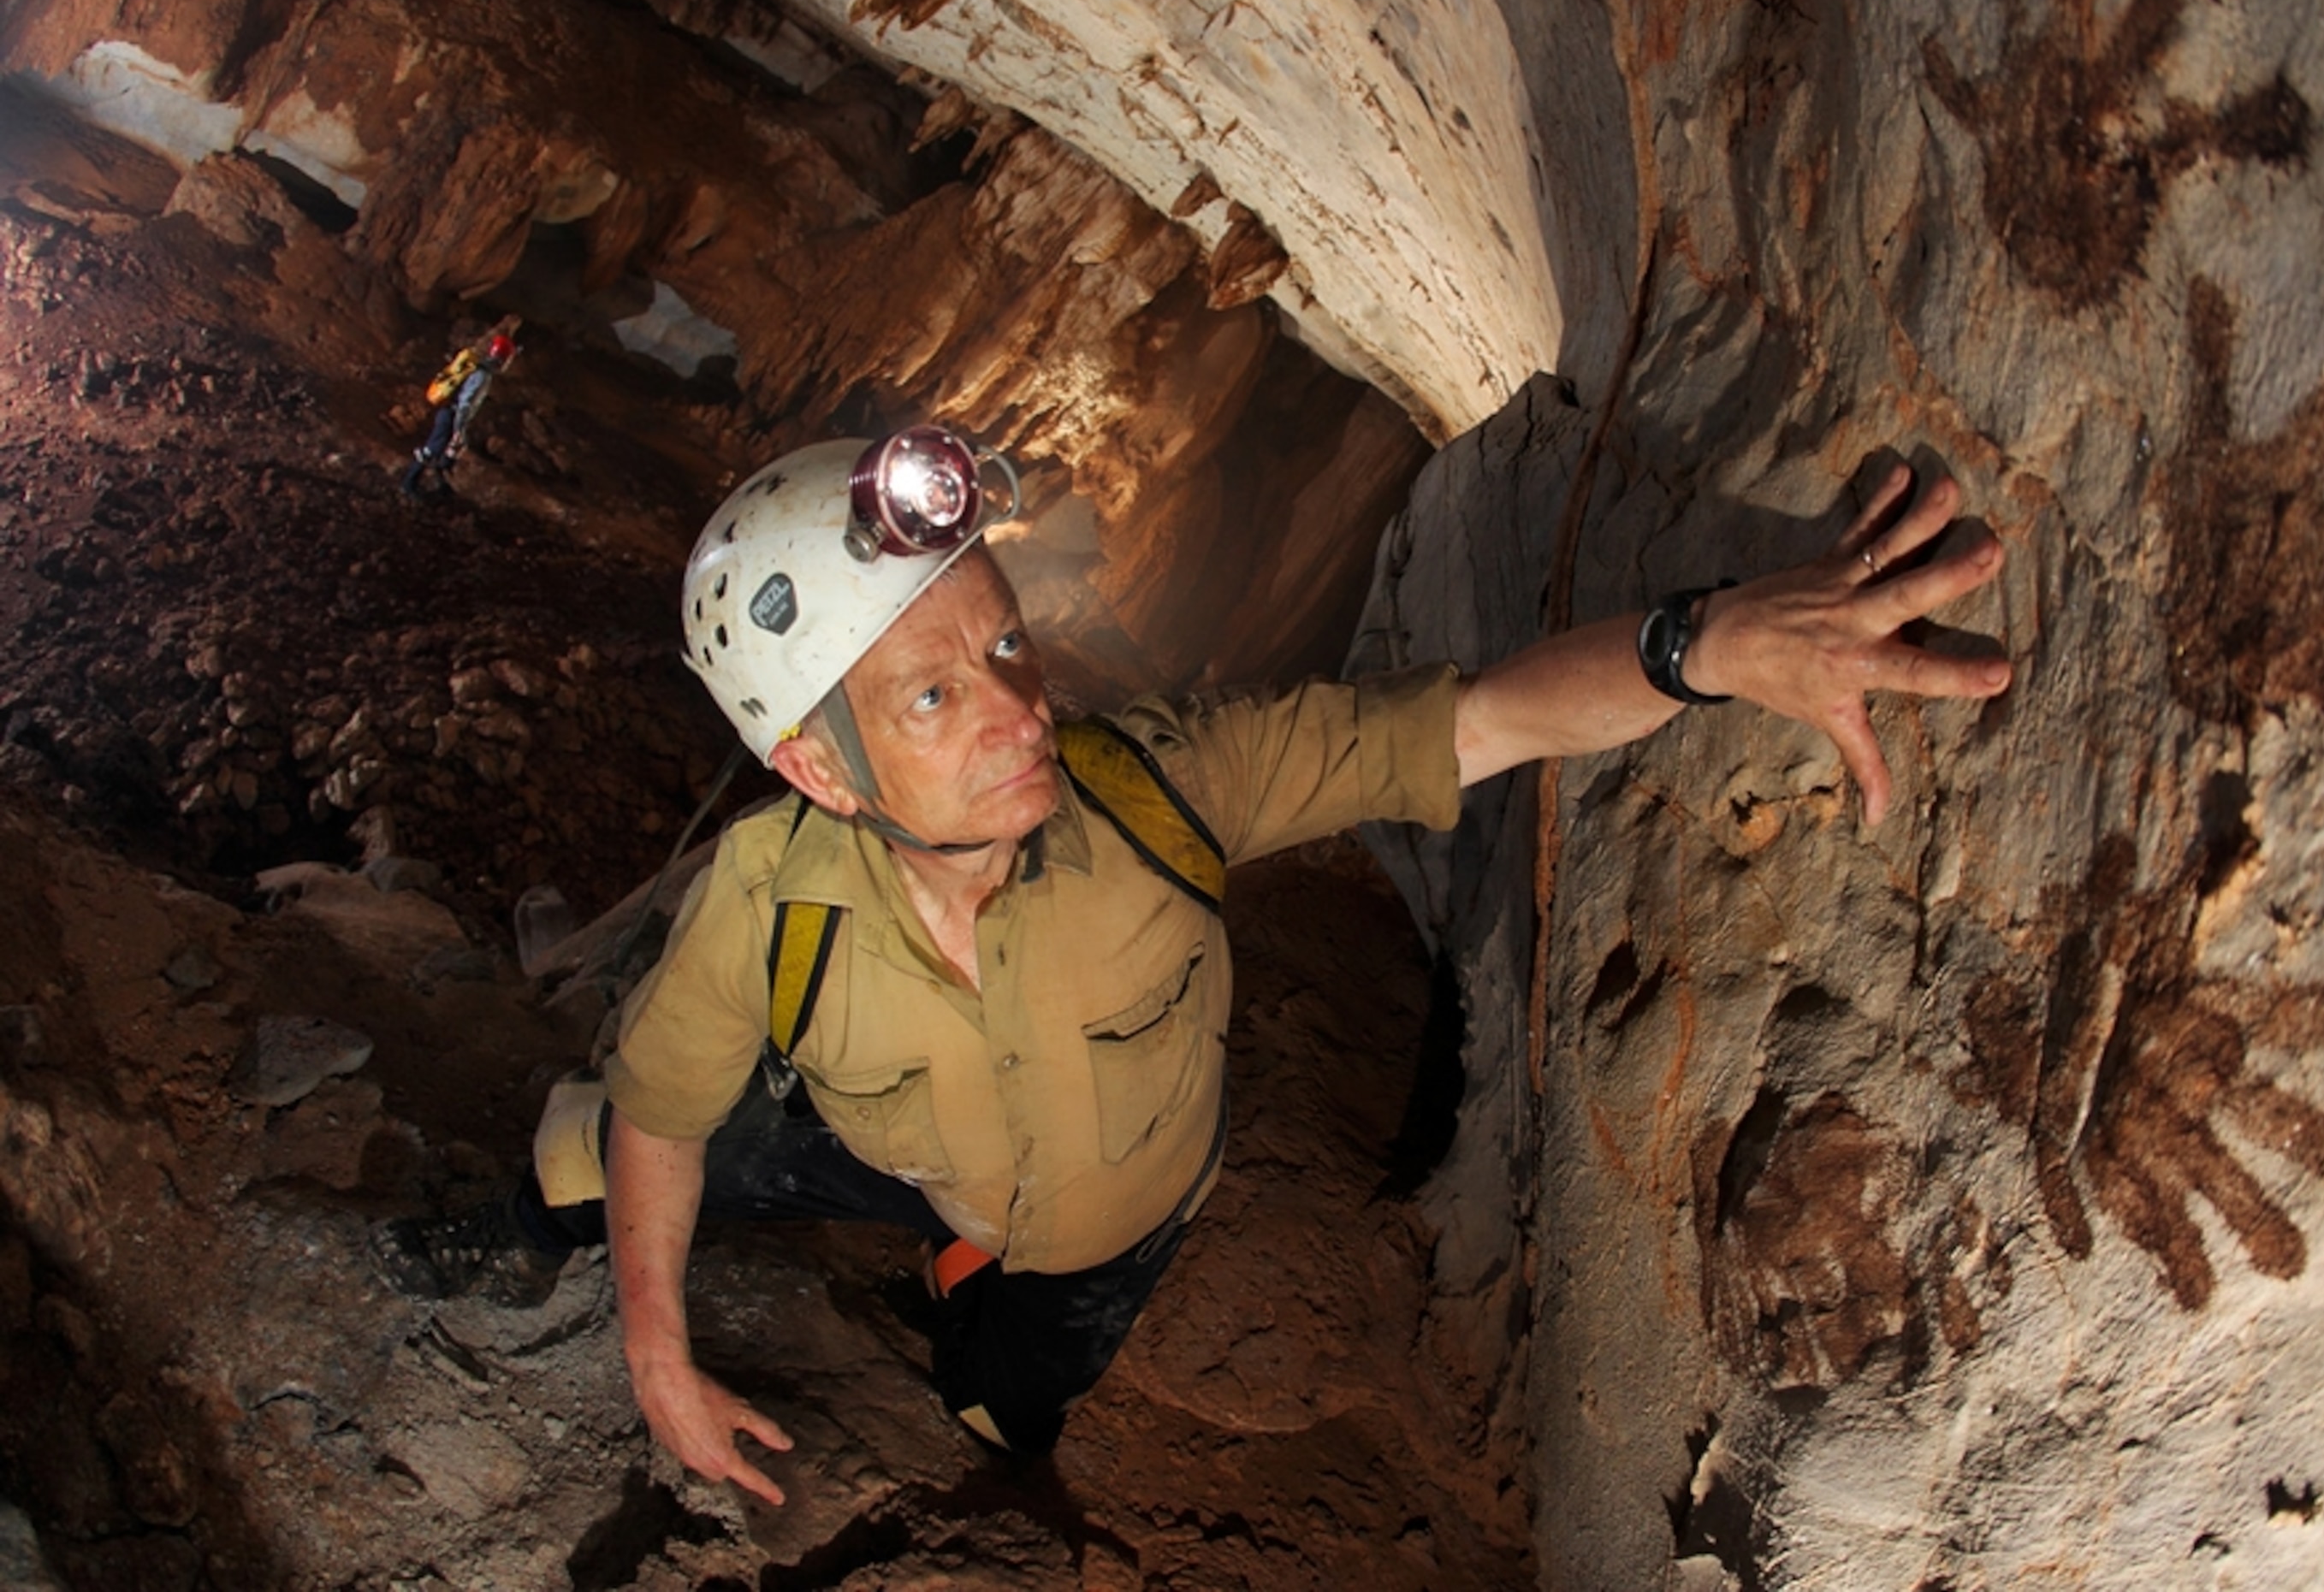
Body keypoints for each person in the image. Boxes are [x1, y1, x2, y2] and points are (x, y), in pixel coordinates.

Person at [379, 422, 2011, 1500]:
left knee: (1004, 1405)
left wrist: (1702, 643)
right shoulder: (764, 900)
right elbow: (671, 1111)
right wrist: (654, 1357)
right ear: (820, 771)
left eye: (1003, 641)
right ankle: (516, 1220)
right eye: (932, 697)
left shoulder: (1162, 781)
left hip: (1106, 1224)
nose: (1021, 709)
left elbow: (1480, 716)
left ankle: (971, 1316)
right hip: (888, 1147)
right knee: (611, 1140)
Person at [401, 315, 520, 498]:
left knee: (447, 451)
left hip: (449, 413)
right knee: (432, 449)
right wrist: (459, 428)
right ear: (503, 360)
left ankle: (438, 487)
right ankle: (409, 485)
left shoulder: (479, 369)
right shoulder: (482, 376)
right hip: (452, 415)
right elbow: (466, 402)